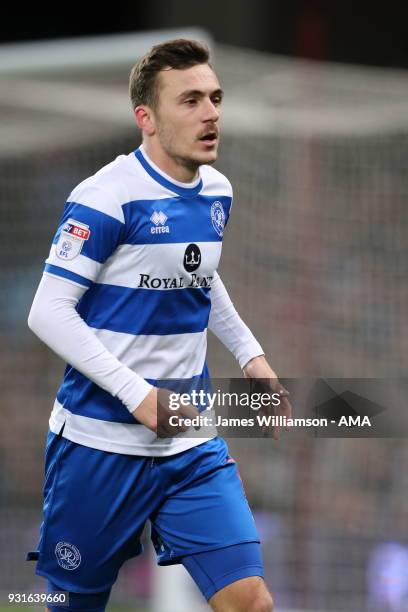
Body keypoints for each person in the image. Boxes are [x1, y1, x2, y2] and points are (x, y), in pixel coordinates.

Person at [27, 39, 291, 612]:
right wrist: (138, 394)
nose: (211, 113)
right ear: (146, 118)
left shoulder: (218, 191)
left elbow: (198, 274)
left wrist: (252, 356)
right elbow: (46, 310)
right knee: (72, 606)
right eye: (191, 100)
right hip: (99, 443)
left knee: (251, 603)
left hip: (189, 439)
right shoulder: (105, 198)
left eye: (216, 99)